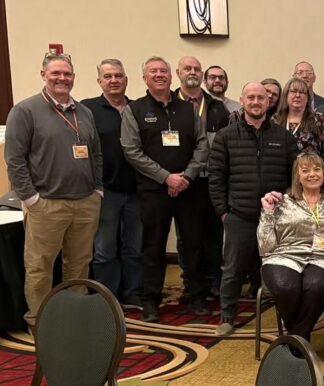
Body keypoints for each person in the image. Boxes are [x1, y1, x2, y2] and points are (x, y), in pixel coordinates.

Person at [5, 53, 102, 327]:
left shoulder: (83, 112)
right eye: (56, 73)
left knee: (79, 264)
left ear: (73, 77)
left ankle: (75, 317)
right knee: (40, 267)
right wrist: (31, 198)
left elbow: (96, 155)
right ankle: (41, 322)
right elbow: (14, 159)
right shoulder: (25, 111)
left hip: (85, 202)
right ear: (43, 75)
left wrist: (98, 190)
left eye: (67, 74)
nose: (62, 79)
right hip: (46, 204)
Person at [121, 56, 210, 321]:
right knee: (153, 246)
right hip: (153, 191)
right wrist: (165, 178)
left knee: (193, 244)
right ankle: (151, 300)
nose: (159, 75)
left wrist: (186, 176)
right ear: (145, 78)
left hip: (188, 189)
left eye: (164, 71)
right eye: (153, 71)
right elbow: (131, 151)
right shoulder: (134, 110)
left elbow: (202, 145)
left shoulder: (187, 109)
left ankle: (196, 295)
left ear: (172, 77)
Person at [209, 83, 299, 336]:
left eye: (261, 97)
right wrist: (223, 212)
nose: (257, 102)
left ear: (269, 102)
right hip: (239, 215)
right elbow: (216, 177)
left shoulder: (284, 137)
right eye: (251, 97)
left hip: (276, 217)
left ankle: (287, 318)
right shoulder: (226, 136)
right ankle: (227, 316)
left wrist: (285, 204)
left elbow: (296, 177)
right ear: (242, 101)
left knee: (281, 266)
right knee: (232, 269)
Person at [257, 152, 324, 342]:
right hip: (283, 256)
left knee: (316, 286)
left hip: (322, 257)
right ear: (297, 175)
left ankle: (295, 339)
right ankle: (302, 338)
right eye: (305, 170)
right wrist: (268, 213)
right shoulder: (281, 202)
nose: (312, 174)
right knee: (286, 287)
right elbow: (265, 246)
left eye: (317, 169)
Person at [82, 58, 142, 308]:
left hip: (137, 189)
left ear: (126, 80)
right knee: (104, 248)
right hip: (105, 190)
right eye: (108, 76)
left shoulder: (137, 108)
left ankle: (133, 292)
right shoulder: (87, 109)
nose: (114, 80)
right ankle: (108, 297)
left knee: (135, 247)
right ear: (99, 82)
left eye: (118, 76)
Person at [174, 56, 229, 302]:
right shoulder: (170, 103)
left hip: (213, 180)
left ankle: (213, 281)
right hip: (184, 180)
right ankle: (192, 284)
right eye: (188, 68)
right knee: (189, 237)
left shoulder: (216, 106)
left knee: (214, 235)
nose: (192, 72)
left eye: (196, 68)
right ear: (179, 73)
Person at [273, 77, 324, 156]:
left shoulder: (318, 120)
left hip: (310, 167)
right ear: (286, 95)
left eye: (302, 92)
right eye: (293, 91)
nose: (298, 95)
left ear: (308, 98)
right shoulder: (275, 119)